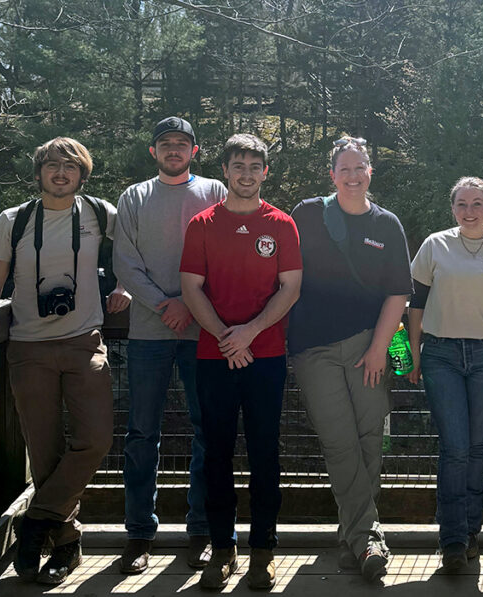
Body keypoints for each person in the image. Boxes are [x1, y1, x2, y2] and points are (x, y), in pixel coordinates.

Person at [0, 137, 131, 585]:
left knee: (95, 439)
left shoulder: (99, 213)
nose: (61, 173)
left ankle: (36, 521)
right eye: (53, 166)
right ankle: (66, 544)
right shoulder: (14, 219)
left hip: (85, 343)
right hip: (29, 347)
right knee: (44, 452)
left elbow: (138, 250)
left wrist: (124, 285)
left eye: (70, 166)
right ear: (39, 172)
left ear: (83, 174)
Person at [180, 133, 302, 590]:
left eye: (254, 166)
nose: (246, 174)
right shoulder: (202, 224)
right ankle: (222, 549)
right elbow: (191, 287)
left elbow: (290, 287)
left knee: (265, 452)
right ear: (225, 171)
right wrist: (225, 337)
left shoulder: (282, 224)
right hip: (213, 356)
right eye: (238, 165)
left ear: (265, 172)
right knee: (216, 454)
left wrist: (249, 332)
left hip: (266, 356)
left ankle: (262, 552)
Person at [288, 136, 412, 582]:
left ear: (370, 172)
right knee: (340, 442)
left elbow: (398, 292)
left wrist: (379, 347)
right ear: (332, 174)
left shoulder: (387, 224)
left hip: (367, 345)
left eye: (360, 168)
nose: (353, 176)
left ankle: (354, 537)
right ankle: (367, 538)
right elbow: (282, 272)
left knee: (370, 438)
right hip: (313, 348)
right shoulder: (307, 214)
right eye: (345, 169)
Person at [113, 117, 226, 574]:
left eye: (182, 143)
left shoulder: (216, 191)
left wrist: (189, 305)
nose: (174, 149)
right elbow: (125, 263)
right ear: (153, 151)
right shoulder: (134, 197)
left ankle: (201, 531)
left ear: (195, 151)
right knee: (142, 433)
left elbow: (225, 258)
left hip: (204, 332)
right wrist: (167, 305)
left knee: (208, 431)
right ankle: (139, 534)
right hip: (148, 332)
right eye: (166, 144)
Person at [407, 177, 483, 571]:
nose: (469, 211)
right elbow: (416, 302)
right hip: (440, 354)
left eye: (477, 203)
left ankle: (471, 529)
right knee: (454, 447)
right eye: (462, 204)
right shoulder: (435, 245)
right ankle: (453, 539)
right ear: (453, 208)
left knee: (477, 446)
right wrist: (412, 354)